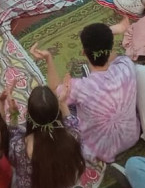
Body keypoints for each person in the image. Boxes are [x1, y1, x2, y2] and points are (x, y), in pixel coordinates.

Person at [39, 25, 139, 163]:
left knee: (56, 107)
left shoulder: (80, 87)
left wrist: (48, 59)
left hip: (98, 151)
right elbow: (113, 56)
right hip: (131, 137)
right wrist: (106, 38)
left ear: (84, 52)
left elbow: (54, 89)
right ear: (110, 49)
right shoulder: (126, 65)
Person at [5, 85, 88, 188]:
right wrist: (63, 103)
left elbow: (12, 135)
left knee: (13, 172)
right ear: (57, 115)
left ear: (29, 116)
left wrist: (13, 115)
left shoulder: (18, 147)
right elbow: (73, 123)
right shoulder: (72, 138)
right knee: (72, 165)